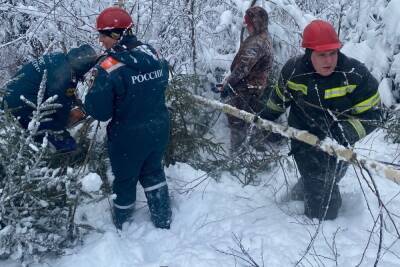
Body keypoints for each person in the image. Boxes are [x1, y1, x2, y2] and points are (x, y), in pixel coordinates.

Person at [262, 20, 381, 220]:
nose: (329, 61)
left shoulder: (354, 75)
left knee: (329, 178)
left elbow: (375, 114)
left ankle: (304, 188)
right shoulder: (294, 72)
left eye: (333, 53)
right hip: (304, 137)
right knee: (322, 195)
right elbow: (278, 100)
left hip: (340, 143)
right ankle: (317, 227)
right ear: (309, 53)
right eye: (322, 55)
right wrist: (266, 120)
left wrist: (346, 131)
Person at [84, 7, 172, 229]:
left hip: (128, 136)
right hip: (159, 128)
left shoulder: (109, 67)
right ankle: (163, 220)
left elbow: (100, 112)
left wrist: (89, 95)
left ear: (115, 34)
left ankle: (123, 226)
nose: (100, 40)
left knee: (125, 180)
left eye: (102, 35)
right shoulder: (153, 53)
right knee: (153, 172)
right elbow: (162, 83)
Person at [2, 44, 97, 152]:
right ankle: (67, 156)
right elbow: (60, 106)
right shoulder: (65, 75)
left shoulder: (59, 59)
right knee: (57, 135)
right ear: (84, 66)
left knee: (43, 127)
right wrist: (65, 125)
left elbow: (60, 92)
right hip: (22, 105)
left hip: (9, 97)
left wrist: (74, 102)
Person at [219, 6, 274, 152]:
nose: (246, 25)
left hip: (245, 89)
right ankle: (252, 149)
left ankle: (237, 156)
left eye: (248, 22)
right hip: (253, 88)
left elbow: (242, 69)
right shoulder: (263, 36)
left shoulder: (257, 42)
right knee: (249, 121)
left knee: (238, 122)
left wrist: (228, 87)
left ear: (256, 23)